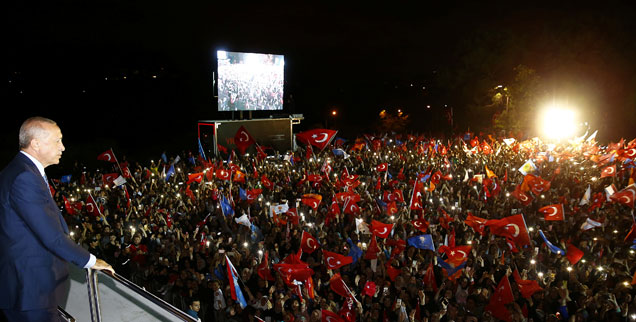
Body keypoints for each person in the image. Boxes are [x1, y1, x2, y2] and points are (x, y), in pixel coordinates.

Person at [0, 117, 114, 322]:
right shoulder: (24, 177)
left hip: (25, 287)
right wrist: (91, 261)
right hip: (32, 291)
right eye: (57, 140)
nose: (62, 147)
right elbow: (50, 236)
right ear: (35, 143)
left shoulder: (19, 170)